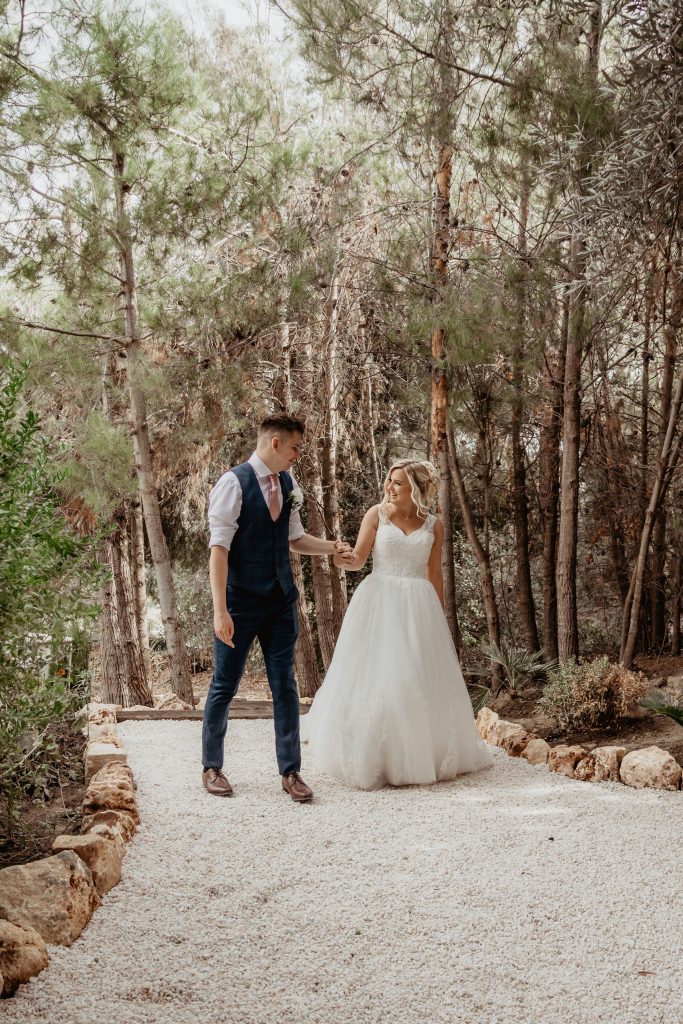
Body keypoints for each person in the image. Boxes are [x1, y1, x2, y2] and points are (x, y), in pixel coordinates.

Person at [302, 458, 493, 790]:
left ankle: (419, 754)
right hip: (380, 600)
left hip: (419, 606)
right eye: (389, 481)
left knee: (416, 680)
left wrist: (440, 621)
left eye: (397, 483)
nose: (389, 487)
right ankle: (376, 755)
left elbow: (434, 575)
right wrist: (338, 557)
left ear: (415, 489)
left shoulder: (434, 525)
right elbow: (358, 560)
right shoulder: (376, 515)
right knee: (381, 679)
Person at [202, 414, 353, 802]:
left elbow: (295, 538)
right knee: (224, 684)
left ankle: (291, 772)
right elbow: (218, 551)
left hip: (280, 602)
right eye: (295, 448)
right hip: (239, 603)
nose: (297, 455)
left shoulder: (288, 483)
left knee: (285, 685)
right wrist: (221, 610)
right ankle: (212, 766)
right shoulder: (233, 483)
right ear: (275, 444)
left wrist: (332, 547)